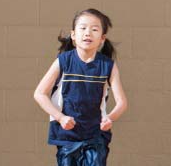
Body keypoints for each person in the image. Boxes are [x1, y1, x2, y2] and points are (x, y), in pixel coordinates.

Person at [34, 9, 128, 166]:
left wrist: (110, 118)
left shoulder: (108, 66)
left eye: (95, 29)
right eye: (83, 28)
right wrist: (60, 117)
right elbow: (39, 94)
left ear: (102, 38)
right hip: (67, 135)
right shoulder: (63, 61)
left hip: (95, 134)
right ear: (73, 35)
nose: (88, 33)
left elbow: (122, 103)